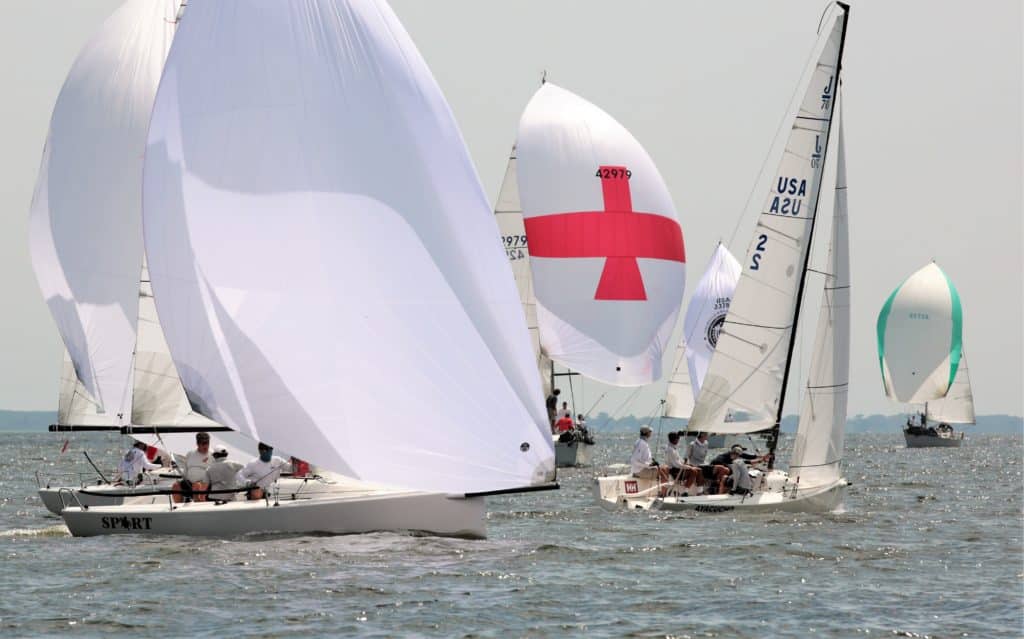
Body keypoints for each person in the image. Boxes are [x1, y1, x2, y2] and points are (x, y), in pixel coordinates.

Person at [172, 431, 213, 503]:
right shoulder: (190, 454)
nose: (205, 446)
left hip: (205, 484)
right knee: (175, 486)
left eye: (207, 443)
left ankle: (198, 509)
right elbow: (186, 470)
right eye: (203, 444)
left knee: (196, 486)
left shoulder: (212, 455)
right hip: (190, 483)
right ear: (197, 444)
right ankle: (179, 508)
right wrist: (181, 480)